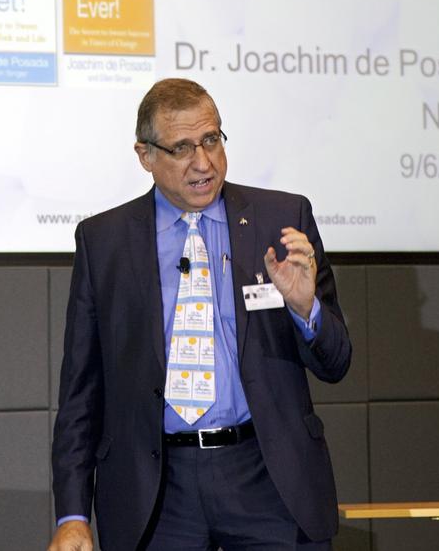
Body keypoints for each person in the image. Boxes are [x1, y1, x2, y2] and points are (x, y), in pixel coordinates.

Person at [50, 78, 351, 551]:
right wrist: (72, 514)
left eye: (211, 140)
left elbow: (336, 362)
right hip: (157, 491)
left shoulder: (282, 219)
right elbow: (80, 393)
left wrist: (304, 307)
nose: (204, 162)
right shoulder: (104, 241)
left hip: (268, 478)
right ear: (145, 155)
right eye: (182, 148)